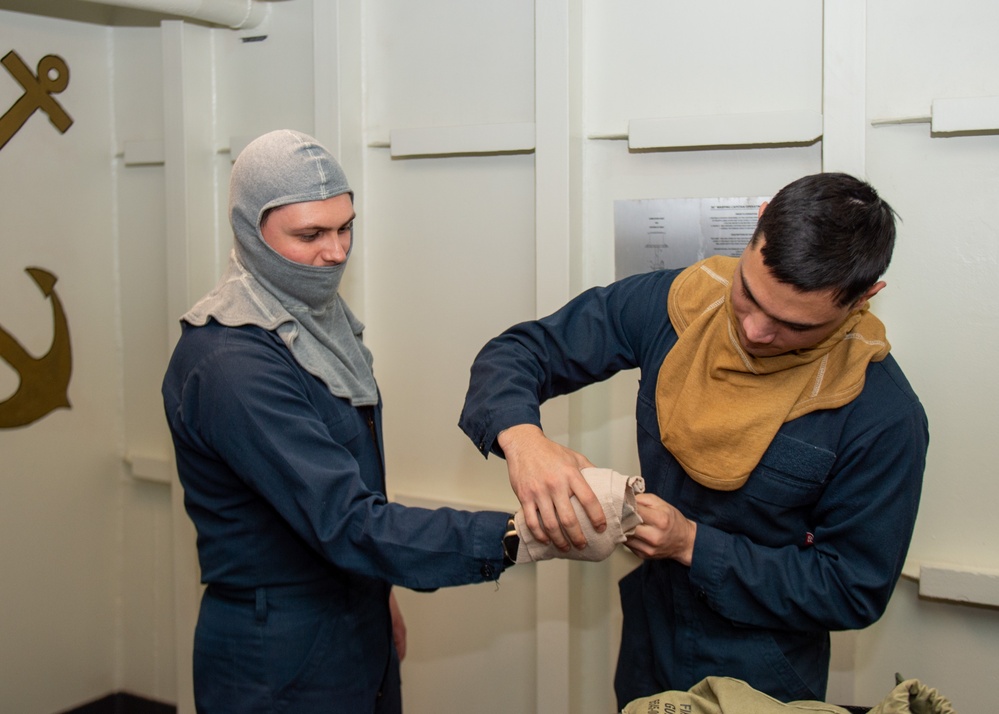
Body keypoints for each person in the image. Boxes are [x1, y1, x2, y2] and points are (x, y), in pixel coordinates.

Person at [458, 173, 928, 708]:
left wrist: (692, 545)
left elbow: (852, 589)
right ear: (761, 221)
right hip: (650, 642)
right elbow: (520, 352)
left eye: (793, 325)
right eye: (748, 294)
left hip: (764, 676)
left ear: (864, 297)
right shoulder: (679, 303)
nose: (753, 331)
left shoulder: (883, 416)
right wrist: (525, 442)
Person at [162, 129, 534, 714]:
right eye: (309, 234)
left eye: (345, 227)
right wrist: (519, 536)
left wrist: (377, 596)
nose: (335, 252)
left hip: (353, 607)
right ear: (248, 230)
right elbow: (343, 519)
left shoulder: (317, 321)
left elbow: (349, 492)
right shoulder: (232, 361)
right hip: (280, 647)